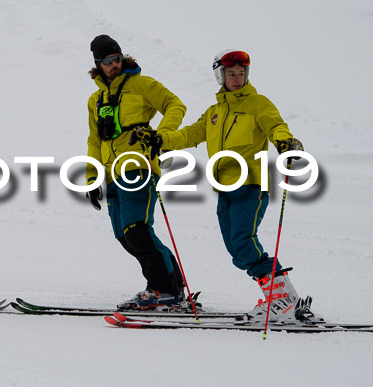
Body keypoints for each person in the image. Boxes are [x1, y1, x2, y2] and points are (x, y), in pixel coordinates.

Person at [135, 49, 319, 323]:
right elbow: (190, 134)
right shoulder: (214, 112)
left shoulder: (258, 103)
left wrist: (285, 143)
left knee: (245, 241)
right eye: (231, 74)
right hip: (224, 188)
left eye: (241, 73)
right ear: (220, 76)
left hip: (251, 184)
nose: (237, 78)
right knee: (236, 249)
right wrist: (161, 140)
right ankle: (282, 299)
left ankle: (281, 301)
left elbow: (276, 126)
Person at [84, 34, 188, 310]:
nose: (115, 64)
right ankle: (175, 285)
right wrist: (92, 178)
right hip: (111, 174)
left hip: (139, 166)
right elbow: (94, 141)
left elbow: (175, 105)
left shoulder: (141, 84)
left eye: (117, 58)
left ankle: (162, 289)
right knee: (125, 235)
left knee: (137, 230)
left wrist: (160, 136)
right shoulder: (96, 100)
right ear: (98, 64)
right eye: (108, 61)